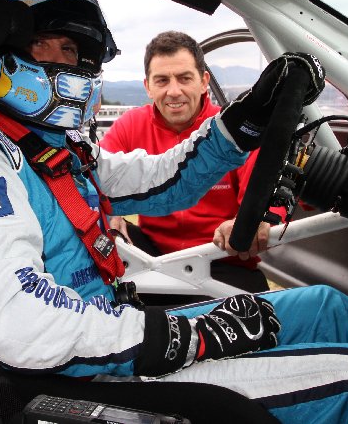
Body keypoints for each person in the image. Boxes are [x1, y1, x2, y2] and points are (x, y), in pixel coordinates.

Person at [0, 0, 348, 424]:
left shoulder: (51, 145)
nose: (63, 62)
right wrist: (194, 335)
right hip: (89, 376)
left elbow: (161, 178)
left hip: (120, 330)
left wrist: (247, 117)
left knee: (331, 308)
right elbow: (19, 322)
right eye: (43, 44)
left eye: (71, 50)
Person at [100, 31, 285, 293]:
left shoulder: (232, 132)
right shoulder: (130, 125)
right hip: (153, 256)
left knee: (262, 308)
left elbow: (265, 199)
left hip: (220, 257)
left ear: (203, 82)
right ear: (148, 87)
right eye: (162, 80)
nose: (174, 91)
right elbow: (90, 180)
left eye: (184, 78)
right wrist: (109, 215)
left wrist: (252, 221)